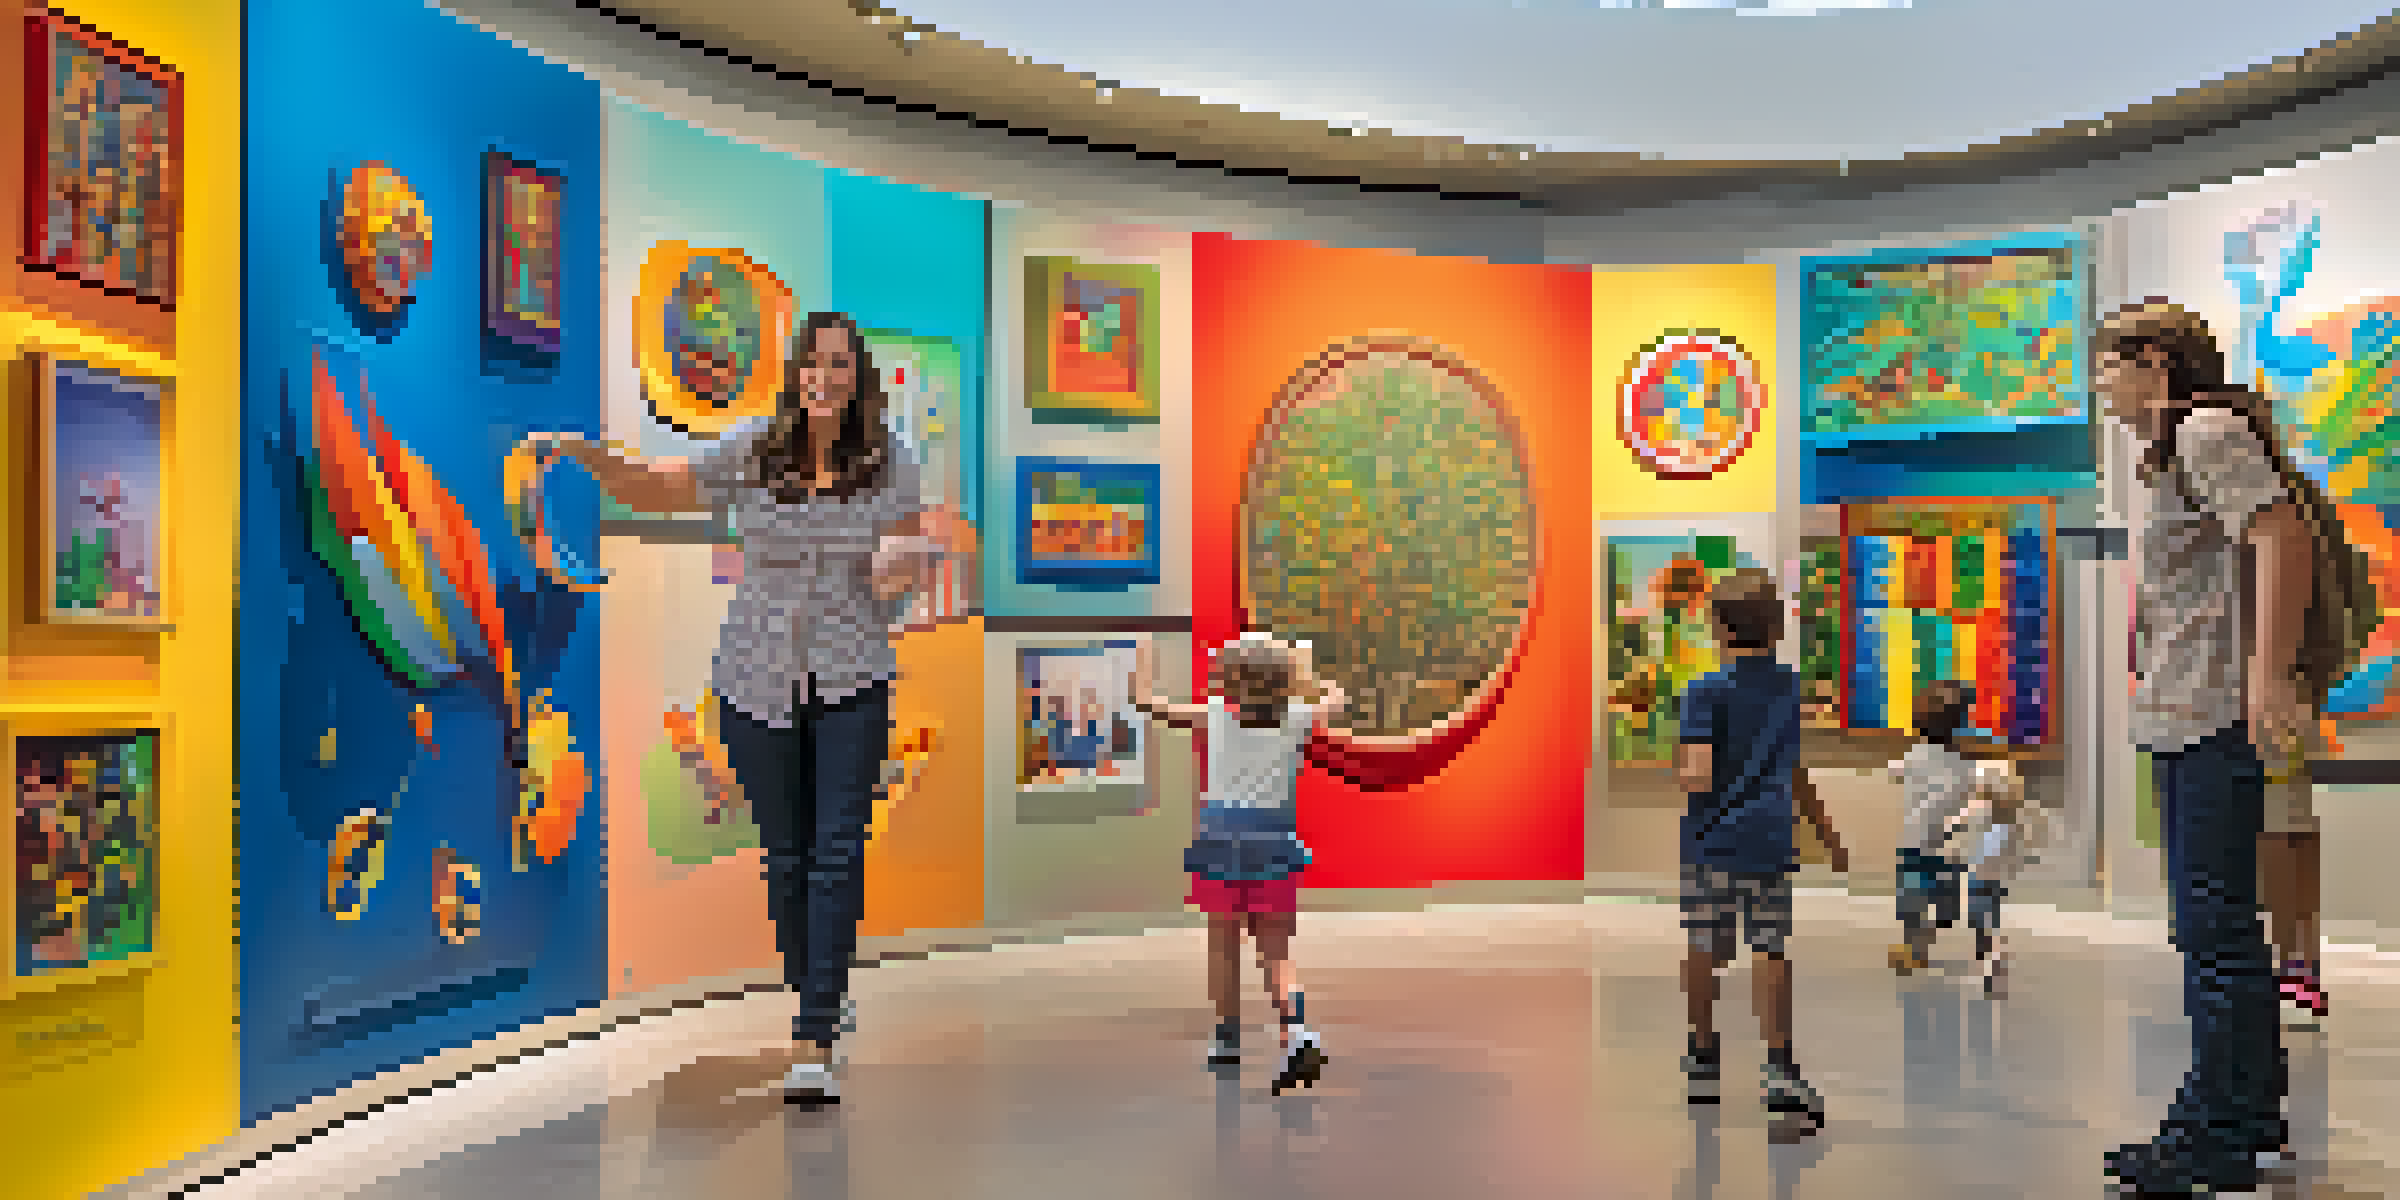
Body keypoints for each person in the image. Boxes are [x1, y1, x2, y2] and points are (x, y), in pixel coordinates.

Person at [527, 311, 974, 1103]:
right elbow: (657, 487)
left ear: (859, 378)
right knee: (786, 857)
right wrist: (586, 455)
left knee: (837, 852)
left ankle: (814, 1033)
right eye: (812, 364)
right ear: (794, 374)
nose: (824, 378)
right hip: (756, 681)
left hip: (853, 679)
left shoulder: (890, 461)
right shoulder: (755, 450)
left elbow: (897, 577)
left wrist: (903, 565)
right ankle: (819, 987)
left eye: (839, 365)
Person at [2096, 299, 2310, 1192]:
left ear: (2153, 360)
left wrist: (2266, 676)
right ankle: (2248, 1113)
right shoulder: (2181, 449)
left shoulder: (2205, 430)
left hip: (2211, 718)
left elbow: (2281, 534)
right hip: (2188, 716)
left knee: (2213, 931)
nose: (2102, 386)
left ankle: (2213, 1134)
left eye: (2108, 366)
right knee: (2218, 929)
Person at [1132, 632, 1347, 1096]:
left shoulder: (1214, 715)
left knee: (1223, 947)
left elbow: (1146, 703)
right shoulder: (1299, 717)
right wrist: (1307, 677)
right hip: (1273, 842)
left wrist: (1143, 656)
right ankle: (1297, 1033)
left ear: (1230, 682)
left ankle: (1227, 1040)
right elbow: (1338, 698)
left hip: (1221, 842)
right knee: (1276, 952)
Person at [1675, 567, 1849, 1133]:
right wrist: (1826, 833)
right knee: (1770, 948)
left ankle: (1703, 1054)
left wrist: (1681, 766)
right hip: (1771, 841)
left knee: (1704, 944)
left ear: (1719, 628)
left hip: (1712, 843)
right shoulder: (1788, 689)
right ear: (1776, 627)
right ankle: (1778, 1066)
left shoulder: (1703, 692)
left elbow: (1696, 777)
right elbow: (1792, 769)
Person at [1887, 680, 1978, 979]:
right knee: (1944, 901)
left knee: (1912, 901)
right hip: (1948, 846)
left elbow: (1894, 771)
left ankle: (1916, 948)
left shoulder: (1915, 756)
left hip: (1915, 844)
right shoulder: (1965, 764)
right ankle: (1922, 942)